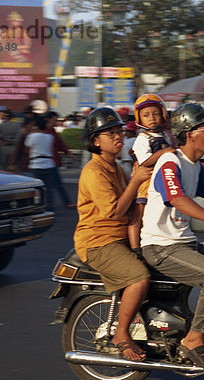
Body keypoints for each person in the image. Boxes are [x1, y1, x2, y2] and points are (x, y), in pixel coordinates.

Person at [140, 103, 204, 373]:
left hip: (183, 243)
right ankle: (194, 338)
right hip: (160, 246)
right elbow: (176, 197)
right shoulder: (170, 162)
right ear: (188, 134)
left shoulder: (194, 167)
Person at [73, 107, 152, 361]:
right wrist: (135, 180)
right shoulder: (93, 172)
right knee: (139, 277)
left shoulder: (115, 167)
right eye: (110, 134)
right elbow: (115, 212)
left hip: (120, 238)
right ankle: (120, 334)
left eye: (119, 132)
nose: (118, 138)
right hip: (98, 242)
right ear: (96, 141)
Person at [128, 94, 175, 251]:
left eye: (156, 114)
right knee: (138, 213)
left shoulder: (164, 136)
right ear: (139, 119)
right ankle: (135, 247)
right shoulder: (143, 138)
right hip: (146, 179)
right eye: (146, 115)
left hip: (161, 178)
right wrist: (165, 152)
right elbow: (145, 161)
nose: (152, 118)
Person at [24, 117, 74, 210]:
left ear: (36, 126)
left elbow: (27, 150)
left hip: (36, 164)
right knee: (49, 188)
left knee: (37, 187)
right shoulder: (49, 137)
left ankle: (38, 205)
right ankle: (49, 206)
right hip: (49, 163)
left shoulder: (31, 136)